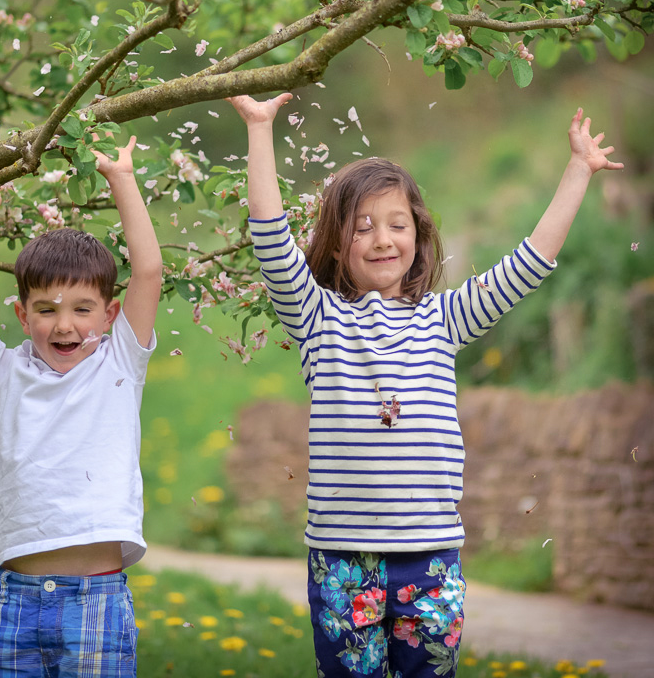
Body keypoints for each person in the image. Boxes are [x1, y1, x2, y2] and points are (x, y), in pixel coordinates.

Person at [229, 94, 622, 678]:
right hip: (343, 557)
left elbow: (529, 263)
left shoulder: (445, 319)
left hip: (430, 555)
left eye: (397, 224)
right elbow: (269, 239)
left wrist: (577, 170)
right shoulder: (315, 317)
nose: (383, 239)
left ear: (418, 235)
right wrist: (260, 130)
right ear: (339, 244)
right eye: (363, 228)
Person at [0, 136, 162, 677]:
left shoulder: (119, 363)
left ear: (109, 314)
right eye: (46, 309)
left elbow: (149, 270)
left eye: (83, 309)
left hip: (97, 601)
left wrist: (122, 179)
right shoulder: (3, 369)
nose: (64, 325)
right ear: (21, 314)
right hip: (15, 597)